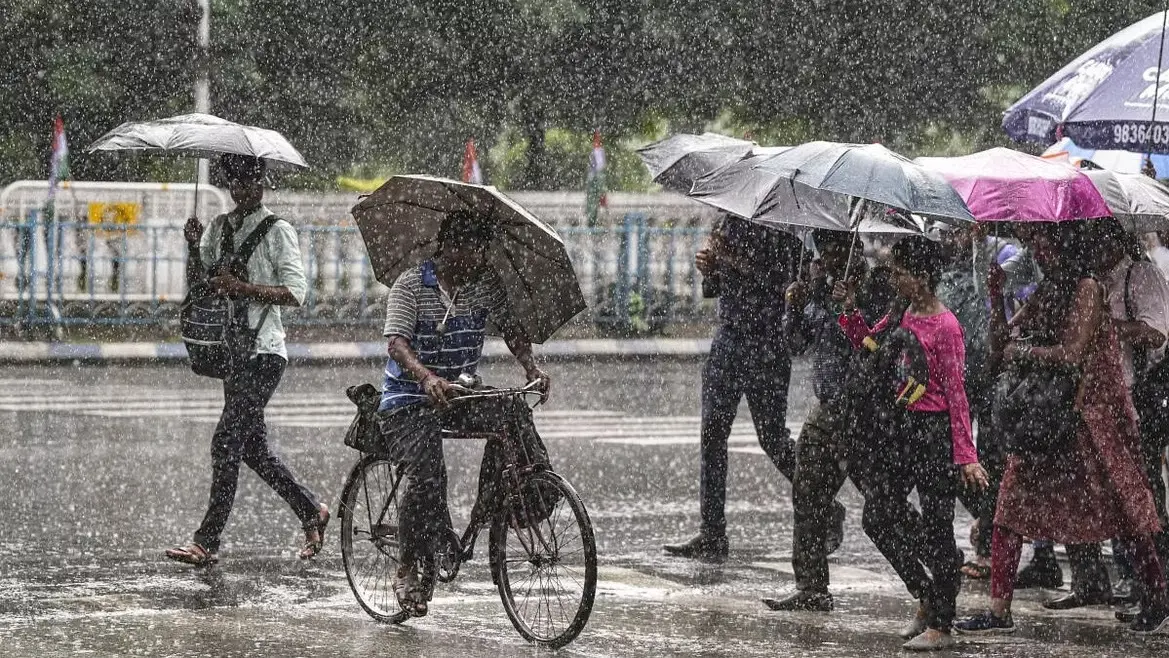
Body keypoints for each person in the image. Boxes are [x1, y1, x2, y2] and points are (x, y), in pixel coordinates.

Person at [954, 222, 1169, 636]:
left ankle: (1157, 599)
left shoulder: (1087, 288)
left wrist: (1025, 351)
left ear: (1067, 244)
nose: (1037, 249)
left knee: (1125, 510)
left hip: (1091, 419)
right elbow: (1001, 343)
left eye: (1045, 241)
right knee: (1009, 509)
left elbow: (1071, 354)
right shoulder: (1048, 288)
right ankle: (999, 611)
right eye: (1034, 241)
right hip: (1047, 420)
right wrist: (996, 294)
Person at [376, 209, 550, 617]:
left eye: (482, 250)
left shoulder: (484, 284)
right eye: (473, 249)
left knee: (513, 412)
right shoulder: (411, 284)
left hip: (460, 394)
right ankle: (407, 566)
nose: (479, 258)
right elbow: (397, 344)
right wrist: (426, 378)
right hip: (410, 398)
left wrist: (531, 368)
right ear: (450, 247)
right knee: (427, 475)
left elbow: (512, 328)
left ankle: (513, 497)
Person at [166, 154, 326, 567]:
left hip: (264, 352)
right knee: (252, 450)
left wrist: (242, 287)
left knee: (225, 442)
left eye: (251, 181)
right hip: (232, 353)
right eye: (236, 182)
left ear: (262, 183)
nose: (243, 190)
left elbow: (295, 292)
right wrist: (192, 246)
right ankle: (311, 511)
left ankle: (207, 541)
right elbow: (200, 283)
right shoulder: (219, 227)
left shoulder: (277, 231)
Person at [838, 236, 988, 651]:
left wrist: (966, 456)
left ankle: (941, 622)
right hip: (901, 430)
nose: (894, 279)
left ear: (922, 277)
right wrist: (850, 311)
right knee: (877, 516)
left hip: (934, 435)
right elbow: (871, 345)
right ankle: (926, 590)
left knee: (939, 527)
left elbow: (957, 396)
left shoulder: (947, 327)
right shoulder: (901, 313)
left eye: (901, 272)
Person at [664, 215, 813, 562]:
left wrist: (733, 260)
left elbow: (784, 286)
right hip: (729, 339)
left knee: (772, 438)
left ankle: (821, 501)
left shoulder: (784, 229)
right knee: (712, 435)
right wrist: (710, 270)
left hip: (767, 344)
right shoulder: (729, 220)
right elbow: (716, 288)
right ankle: (712, 532)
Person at [762, 229, 891, 612]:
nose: (827, 259)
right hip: (828, 408)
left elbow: (878, 347)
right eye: (823, 251)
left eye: (835, 250)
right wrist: (794, 305)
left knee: (885, 505)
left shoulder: (878, 288)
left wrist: (851, 307)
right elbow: (797, 343)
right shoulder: (820, 288)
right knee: (808, 492)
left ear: (853, 248)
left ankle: (937, 565)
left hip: (866, 411)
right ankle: (812, 586)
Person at [1044, 221, 1169, 611]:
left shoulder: (1140, 274)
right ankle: (1096, 580)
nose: (1093, 245)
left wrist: (1105, 326)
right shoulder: (1090, 281)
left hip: (1134, 399)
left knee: (1137, 494)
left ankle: (1153, 585)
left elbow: (1156, 334)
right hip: (1093, 400)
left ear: (1115, 238)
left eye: (1099, 237)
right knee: (1088, 491)